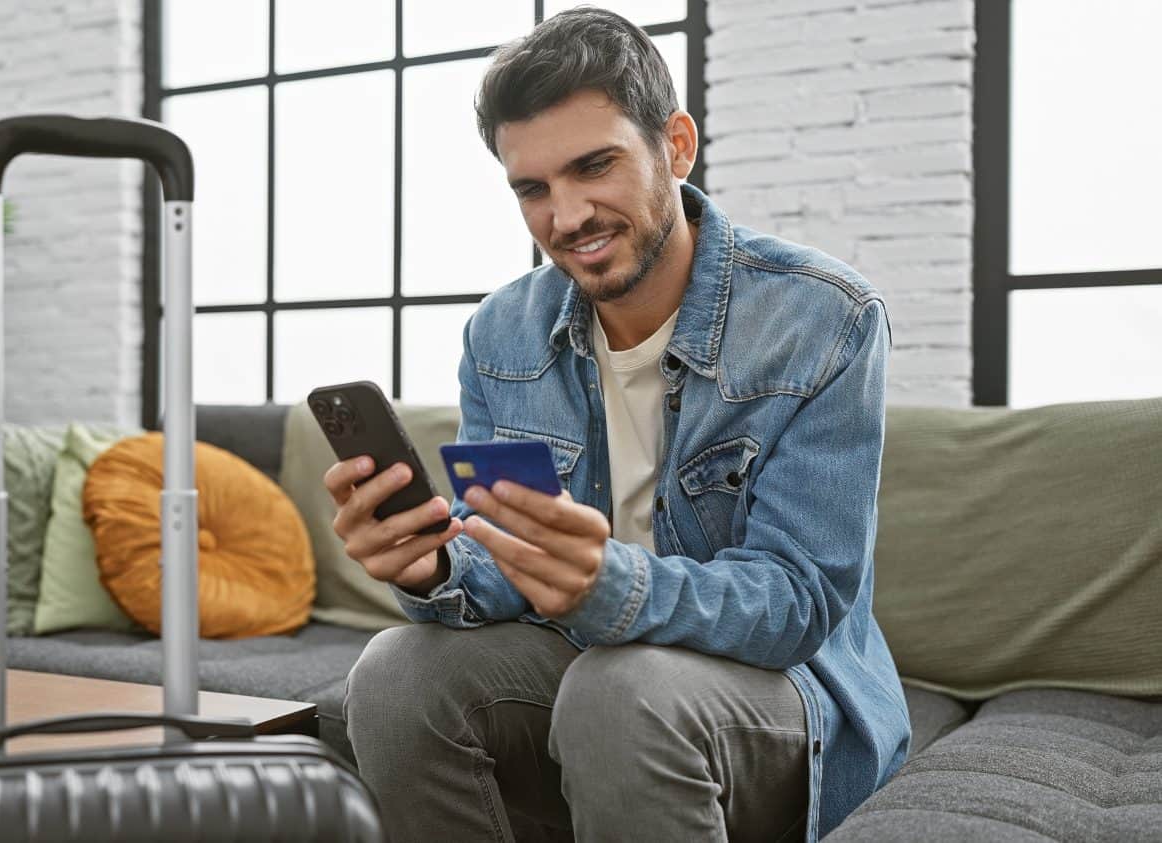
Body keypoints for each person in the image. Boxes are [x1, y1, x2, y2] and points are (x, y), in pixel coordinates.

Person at [324, 8, 910, 842]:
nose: (565, 219)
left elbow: (797, 600)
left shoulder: (824, 318)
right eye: (532, 188)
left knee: (621, 691)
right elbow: (501, 562)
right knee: (390, 672)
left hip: (782, 690)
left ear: (675, 144)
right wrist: (433, 566)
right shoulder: (502, 334)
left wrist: (611, 585)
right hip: (587, 660)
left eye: (593, 166)